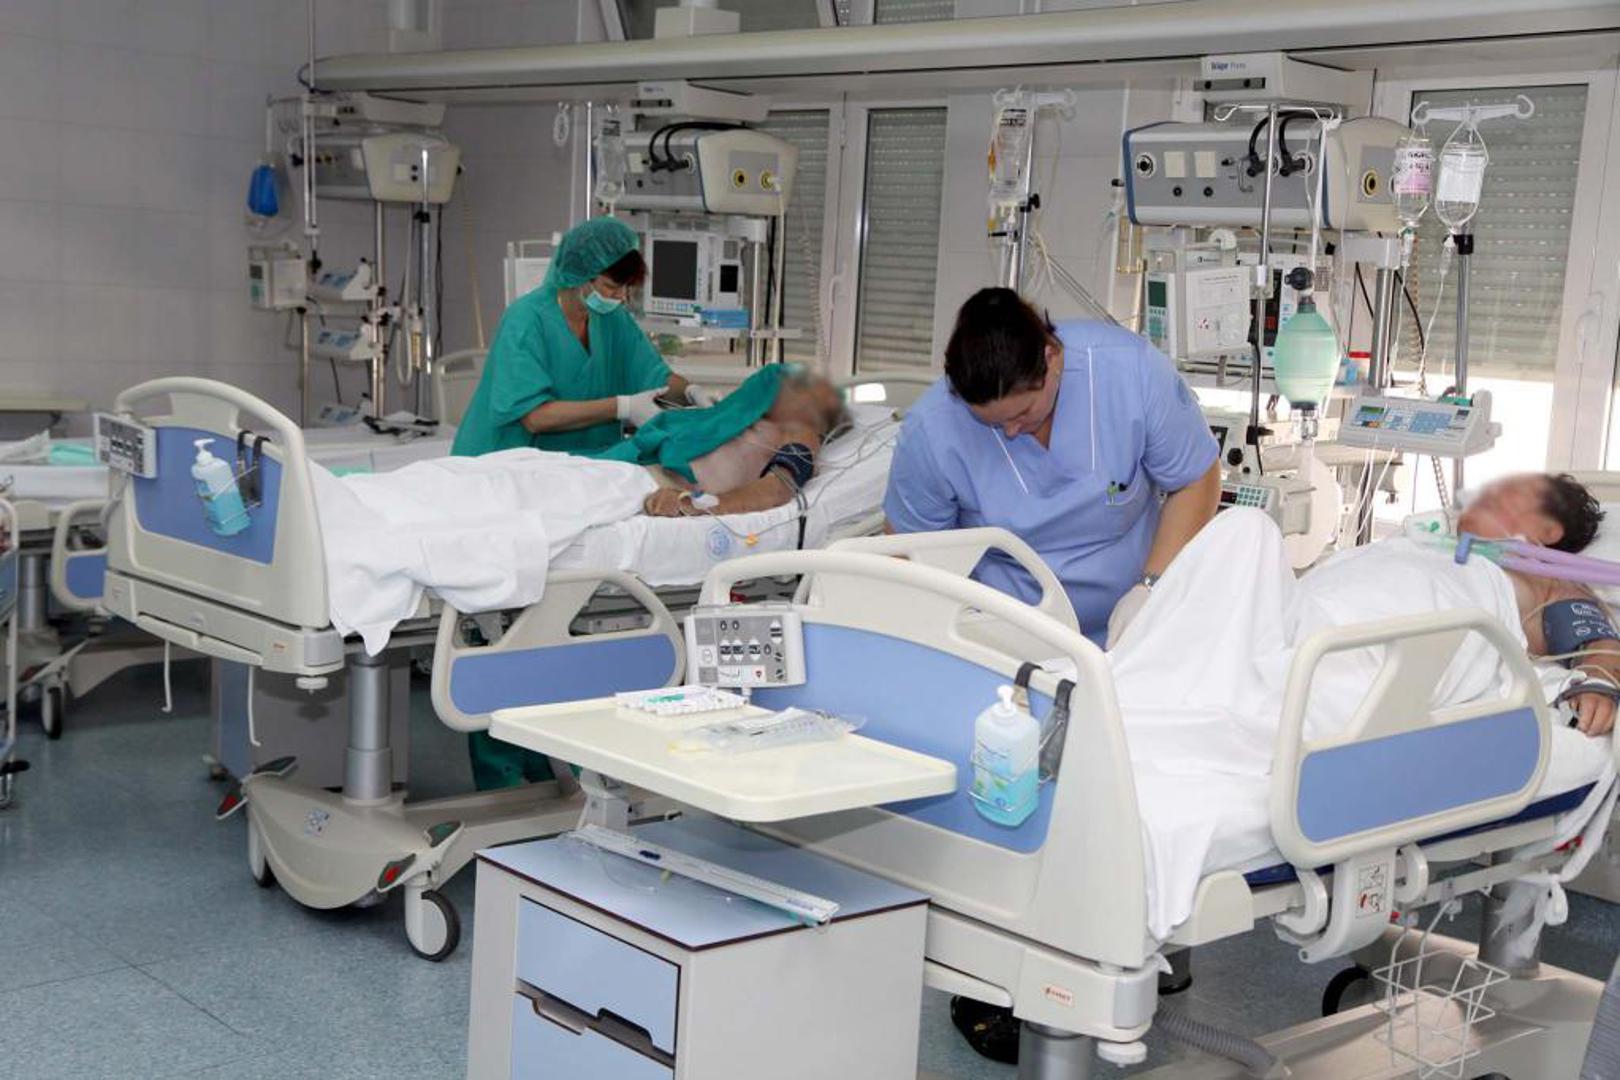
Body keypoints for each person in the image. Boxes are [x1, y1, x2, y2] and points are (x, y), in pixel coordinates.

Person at [884, 287, 1222, 646]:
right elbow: (910, 554)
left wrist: (1150, 588)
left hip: (1136, 619)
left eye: (1022, 413)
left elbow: (1195, 480)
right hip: (1003, 633)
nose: (1010, 432)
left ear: (1052, 358)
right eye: (993, 423)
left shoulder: (1129, 371)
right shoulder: (932, 430)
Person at [451, 217, 693, 459]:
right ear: (581, 276)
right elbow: (535, 417)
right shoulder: (526, 319)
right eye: (611, 286)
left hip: (574, 461)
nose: (622, 297)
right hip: (503, 463)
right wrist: (622, 407)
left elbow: (652, 375)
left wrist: (690, 392)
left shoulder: (612, 319)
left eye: (627, 287)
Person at [1456, 472, 1616, 736]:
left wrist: (1597, 683)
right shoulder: (1428, 547)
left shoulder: (1549, 581)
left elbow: (1599, 644)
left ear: (1549, 531)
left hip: (1445, 628)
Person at [638, 369, 848, 518]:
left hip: (659, 489)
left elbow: (778, 489)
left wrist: (692, 504)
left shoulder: (800, 432)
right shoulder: (745, 415)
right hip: (639, 468)